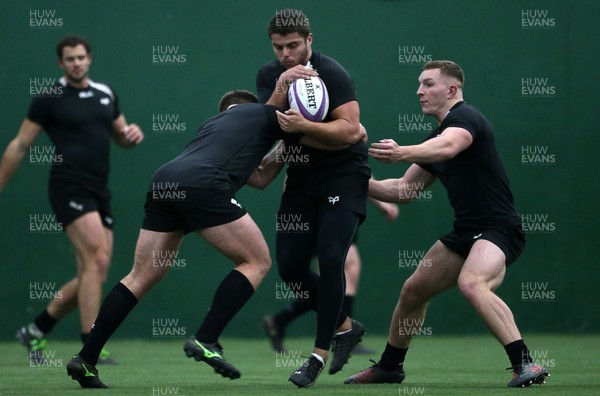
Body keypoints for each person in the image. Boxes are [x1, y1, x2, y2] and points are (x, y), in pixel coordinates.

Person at [64, 90, 362, 389]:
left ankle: (86, 358)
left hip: (166, 181)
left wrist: (282, 149)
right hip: (203, 185)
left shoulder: (213, 126)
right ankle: (206, 338)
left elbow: (258, 178)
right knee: (256, 261)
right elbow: (348, 134)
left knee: (140, 276)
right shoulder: (263, 114)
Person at [343, 60, 550, 388]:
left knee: (472, 283)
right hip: (466, 232)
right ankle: (389, 367)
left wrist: (403, 152)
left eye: (428, 84)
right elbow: (402, 190)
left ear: (451, 90)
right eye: (419, 84)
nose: (419, 91)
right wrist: (347, 181)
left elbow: (451, 144)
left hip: (499, 228)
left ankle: (525, 365)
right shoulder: (435, 138)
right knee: (413, 291)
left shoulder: (466, 118)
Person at [0, 35, 144, 366]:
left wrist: (130, 136)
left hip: (98, 190)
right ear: (60, 63)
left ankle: (36, 330)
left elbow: (121, 137)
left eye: (81, 57)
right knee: (97, 258)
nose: (76, 63)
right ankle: (90, 345)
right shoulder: (49, 98)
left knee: (95, 269)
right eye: (70, 59)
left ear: (89, 58)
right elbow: (21, 144)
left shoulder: (105, 94)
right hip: (68, 187)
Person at [256, 9, 371, 387]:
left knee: (334, 257)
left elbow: (351, 132)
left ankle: (317, 357)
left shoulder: (333, 73)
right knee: (289, 266)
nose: (286, 54)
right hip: (301, 179)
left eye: (292, 45)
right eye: (278, 47)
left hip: (343, 176)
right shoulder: (269, 75)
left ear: (309, 40)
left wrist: (302, 128)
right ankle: (346, 326)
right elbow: (266, 125)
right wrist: (279, 90)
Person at [262, 197, 399, 354]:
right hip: (324, 209)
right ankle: (343, 333)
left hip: (337, 206)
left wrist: (382, 202)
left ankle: (281, 320)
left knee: (336, 279)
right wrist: (382, 203)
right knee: (340, 273)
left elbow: (359, 176)